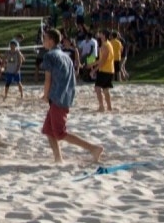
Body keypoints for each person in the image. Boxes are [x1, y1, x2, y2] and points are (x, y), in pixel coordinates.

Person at [38, 28, 103, 165]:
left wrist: (45, 95)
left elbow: (48, 79)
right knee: (49, 130)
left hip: (58, 97)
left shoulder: (50, 56)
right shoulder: (65, 55)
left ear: (51, 41)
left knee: (60, 133)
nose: (43, 41)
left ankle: (93, 148)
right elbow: (71, 77)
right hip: (65, 95)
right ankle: (58, 159)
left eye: (45, 39)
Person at [91, 28, 116, 112]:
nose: (98, 34)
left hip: (105, 70)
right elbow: (102, 60)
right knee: (105, 89)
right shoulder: (107, 44)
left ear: (104, 35)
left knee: (97, 88)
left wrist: (94, 70)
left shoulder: (105, 45)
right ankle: (109, 107)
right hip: (109, 70)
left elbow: (103, 61)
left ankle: (101, 107)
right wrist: (92, 64)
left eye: (100, 33)